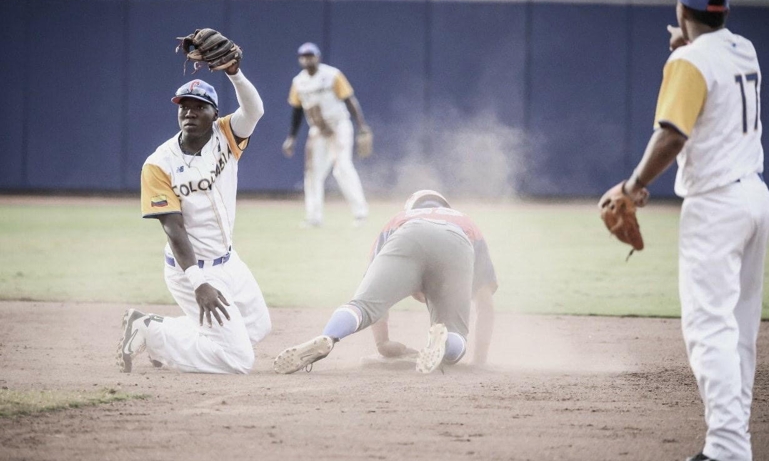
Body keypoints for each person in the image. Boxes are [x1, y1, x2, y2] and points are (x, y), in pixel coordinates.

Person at [603, 0, 769, 461]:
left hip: (717, 207)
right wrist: (685, 52)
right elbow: (710, 78)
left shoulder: (690, 63)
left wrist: (633, 185)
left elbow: (673, 134)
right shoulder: (743, 48)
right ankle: (733, 439)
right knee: (739, 327)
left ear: (683, 10)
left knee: (709, 328)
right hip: (756, 199)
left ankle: (726, 445)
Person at [117, 47, 272, 374]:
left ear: (214, 114)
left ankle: (151, 329)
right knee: (239, 361)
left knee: (257, 328)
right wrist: (198, 282)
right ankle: (156, 332)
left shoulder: (227, 136)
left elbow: (255, 110)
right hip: (192, 268)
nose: (189, 111)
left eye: (199, 106)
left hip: (230, 260)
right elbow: (174, 229)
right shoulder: (159, 164)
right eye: (184, 106)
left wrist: (234, 72)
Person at [273, 189, 497, 375]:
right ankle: (445, 341)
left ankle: (329, 335)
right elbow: (485, 304)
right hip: (457, 241)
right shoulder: (467, 222)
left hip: (408, 234)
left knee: (361, 306)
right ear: (446, 206)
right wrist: (479, 361)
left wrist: (383, 343)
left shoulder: (398, 219)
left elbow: (376, 294)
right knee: (455, 332)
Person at [281, 42, 371, 227]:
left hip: (339, 126)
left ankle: (360, 213)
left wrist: (361, 125)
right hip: (318, 130)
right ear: (300, 59)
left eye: (310, 55)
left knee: (342, 168)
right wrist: (292, 137)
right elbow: (297, 111)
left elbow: (349, 100)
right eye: (304, 56)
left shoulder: (332, 75)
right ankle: (314, 217)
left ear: (318, 57)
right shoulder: (298, 82)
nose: (307, 59)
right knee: (312, 173)